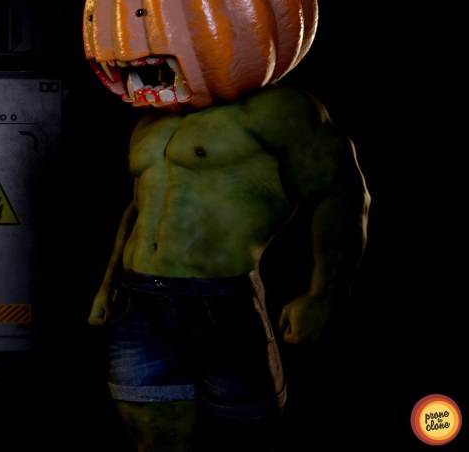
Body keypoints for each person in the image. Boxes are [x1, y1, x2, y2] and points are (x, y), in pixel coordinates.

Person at [87, 83, 370, 451]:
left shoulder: (278, 108)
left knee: (240, 441)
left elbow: (340, 191)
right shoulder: (152, 118)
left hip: (220, 302)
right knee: (153, 442)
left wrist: (326, 295)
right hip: (137, 302)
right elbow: (140, 206)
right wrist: (108, 285)